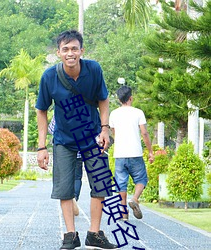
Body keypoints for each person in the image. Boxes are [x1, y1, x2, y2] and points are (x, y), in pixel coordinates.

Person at [36, 30, 118, 250]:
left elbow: (103, 99)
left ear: (82, 50)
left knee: (101, 183)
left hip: (92, 136)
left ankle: (94, 233)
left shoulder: (94, 70)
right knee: (64, 189)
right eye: (65, 49)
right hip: (64, 139)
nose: (70, 53)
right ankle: (70, 235)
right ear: (58, 53)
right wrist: (41, 146)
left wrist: (104, 129)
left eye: (74, 48)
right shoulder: (49, 77)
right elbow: (42, 110)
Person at [109, 86, 154, 220]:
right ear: (131, 98)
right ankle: (134, 198)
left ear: (118, 99)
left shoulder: (114, 114)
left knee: (121, 183)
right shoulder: (138, 112)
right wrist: (150, 151)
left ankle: (124, 213)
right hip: (135, 152)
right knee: (141, 179)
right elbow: (144, 133)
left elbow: (113, 132)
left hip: (120, 154)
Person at [48, 115, 82, 216]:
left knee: (65, 177)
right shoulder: (84, 110)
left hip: (64, 149)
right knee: (77, 177)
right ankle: (74, 198)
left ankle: (69, 200)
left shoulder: (61, 108)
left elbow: (51, 129)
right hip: (80, 150)